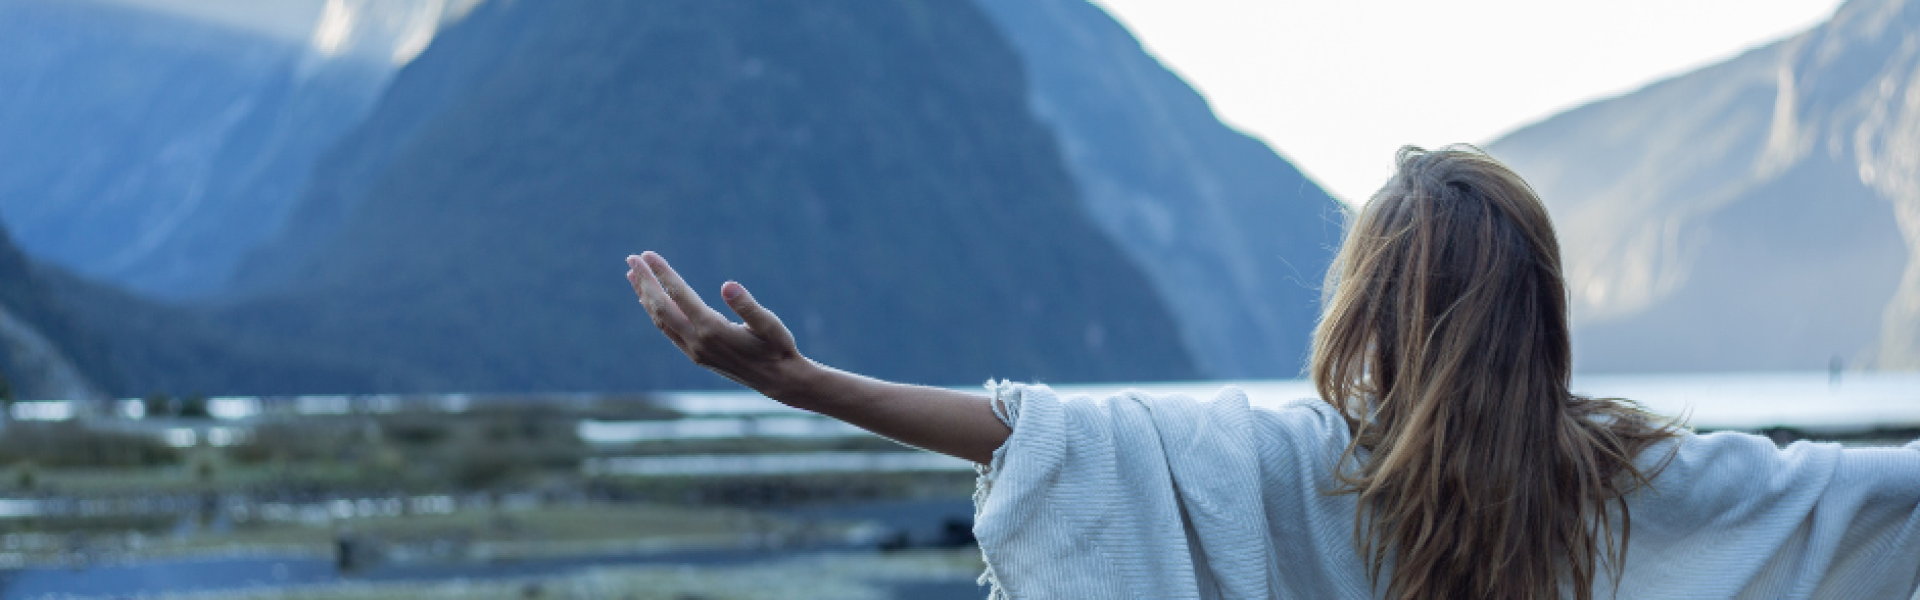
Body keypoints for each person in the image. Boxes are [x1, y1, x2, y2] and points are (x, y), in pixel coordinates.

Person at [624, 146, 1920, 599]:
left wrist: (812, 387)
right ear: (1542, 311)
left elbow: (1047, 436)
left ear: (1363, 316)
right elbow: (1868, 501)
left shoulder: (1312, 471)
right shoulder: (1654, 482)